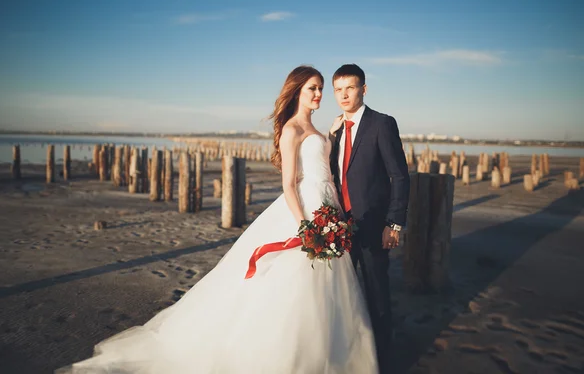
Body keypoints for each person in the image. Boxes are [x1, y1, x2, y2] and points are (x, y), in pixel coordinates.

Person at [57, 66, 378, 374]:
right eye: (313, 88)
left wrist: (333, 136)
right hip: (305, 212)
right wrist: (304, 226)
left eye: (321, 88)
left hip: (327, 207)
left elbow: (324, 165)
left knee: (330, 287)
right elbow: (289, 185)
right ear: (297, 91)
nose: (319, 93)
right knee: (293, 286)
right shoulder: (292, 130)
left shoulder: (320, 131)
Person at [328, 64, 410, 372]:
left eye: (350, 87)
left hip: (375, 226)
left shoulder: (381, 123)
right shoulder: (336, 129)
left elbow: (399, 176)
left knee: (377, 292)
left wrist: (394, 223)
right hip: (340, 227)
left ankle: (382, 357)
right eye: (338, 89)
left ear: (364, 89)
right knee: (344, 294)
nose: (344, 94)